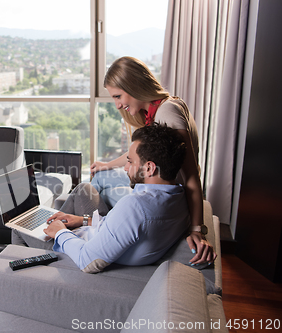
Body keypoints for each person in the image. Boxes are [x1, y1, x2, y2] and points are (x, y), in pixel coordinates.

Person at [13, 124, 190, 273]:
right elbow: (122, 228)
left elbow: (87, 260)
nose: (126, 168)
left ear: (150, 168)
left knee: (18, 225)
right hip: (96, 235)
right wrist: (82, 221)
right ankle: (50, 227)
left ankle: (20, 269)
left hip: (78, 252)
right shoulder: (179, 197)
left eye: (130, 161)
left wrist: (60, 232)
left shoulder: (136, 206)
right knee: (84, 188)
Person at [90, 56, 215, 265]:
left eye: (118, 96)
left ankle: (96, 233)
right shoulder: (165, 106)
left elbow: (192, 175)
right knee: (101, 177)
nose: (117, 105)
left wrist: (197, 229)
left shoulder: (167, 113)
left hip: (166, 203)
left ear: (134, 86)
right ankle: (95, 226)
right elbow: (140, 154)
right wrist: (107, 164)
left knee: (96, 187)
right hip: (164, 195)